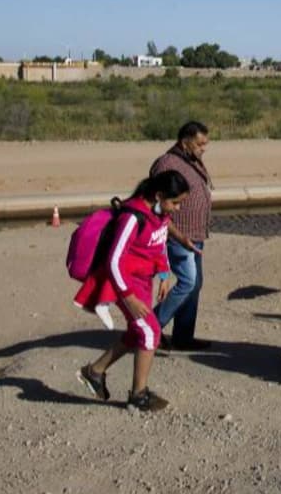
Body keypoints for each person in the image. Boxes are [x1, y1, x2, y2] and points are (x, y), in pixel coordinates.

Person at [75, 171, 189, 412]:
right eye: (175, 202)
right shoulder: (132, 217)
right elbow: (114, 261)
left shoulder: (160, 214)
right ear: (159, 195)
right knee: (150, 332)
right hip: (127, 283)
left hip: (145, 280)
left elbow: (159, 243)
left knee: (138, 332)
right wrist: (129, 297)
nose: (177, 208)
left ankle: (94, 372)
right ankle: (138, 395)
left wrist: (165, 273)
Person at [151, 121, 213, 351]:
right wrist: (172, 233)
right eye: (200, 143)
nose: (203, 148)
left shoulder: (190, 160)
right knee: (188, 282)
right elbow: (157, 203)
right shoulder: (167, 163)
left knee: (195, 284)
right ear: (184, 141)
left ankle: (183, 336)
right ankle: (151, 328)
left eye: (206, 143)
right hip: (177, 234)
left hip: (194, 236)